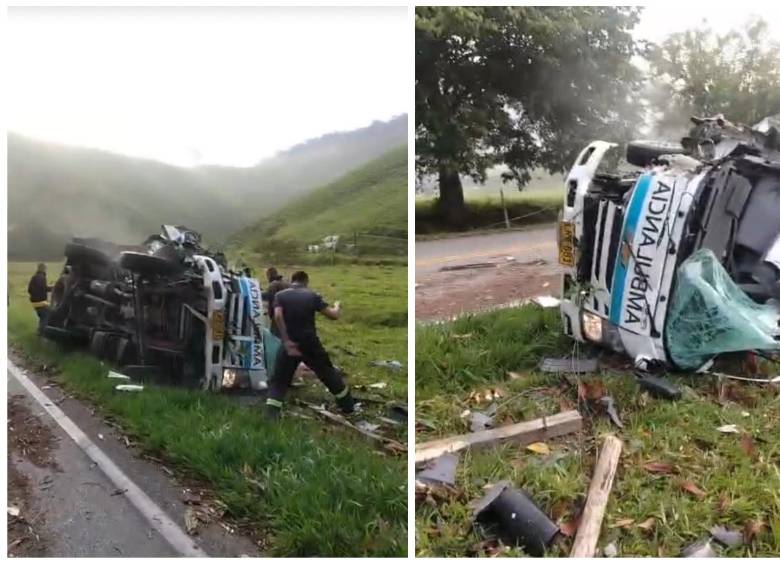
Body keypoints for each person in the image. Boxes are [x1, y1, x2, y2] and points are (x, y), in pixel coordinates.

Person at [265, 270, 356, 419]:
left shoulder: (280, 296)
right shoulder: (312, 295)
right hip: (310, 344)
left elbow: (278, 316)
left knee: (279, 380)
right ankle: (348, 407)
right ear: (306, 281)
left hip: (289, 344)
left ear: (292, 280)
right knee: (327, 373)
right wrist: (337, 306)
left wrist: (287, 340)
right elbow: (333, 316)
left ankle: (271, 415)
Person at [262, 267, 290, 335]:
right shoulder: (287, 283)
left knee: (275, 337)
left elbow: (271, 299)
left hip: (278, 316)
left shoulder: (273, 285)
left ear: (269, 275)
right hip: (290, 315)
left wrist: (270, 315)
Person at [28, 263, 52, 335]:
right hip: (41, 302)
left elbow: (29, 289)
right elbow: (43, 289)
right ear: (43, 269)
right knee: (46, 317)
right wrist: (53, 288)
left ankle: (39, 332)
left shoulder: (34, 277)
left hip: (34, 302)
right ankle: (42, 334)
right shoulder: (42, 277)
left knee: (42, 317)